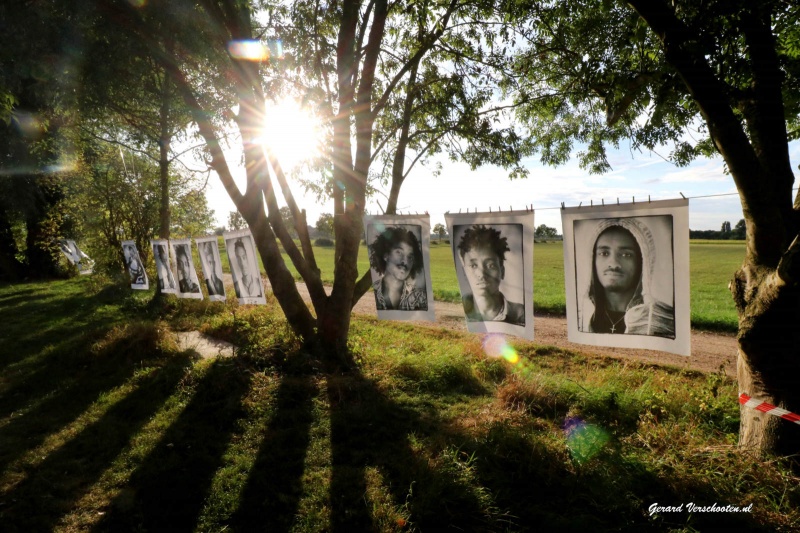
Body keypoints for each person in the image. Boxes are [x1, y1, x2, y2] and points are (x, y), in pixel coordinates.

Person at [579, 217, 675, 338]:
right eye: (604, 253)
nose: (613, 264)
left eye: (626, 255)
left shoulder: (662, 320)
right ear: (593, 260)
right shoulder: (582, 316)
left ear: (642, 262)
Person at [457, 224, 525, 325]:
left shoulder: (522, 314)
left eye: (491, 265)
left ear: (502, 271)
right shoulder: (458, 310)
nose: (481, 274)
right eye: (473, 266)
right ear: (464, 273)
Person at [368, 226, 427, 311]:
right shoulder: (371, 292)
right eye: (399, 252)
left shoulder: (420, 297)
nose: (405, 261)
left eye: (410, 257)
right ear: (386, 255)